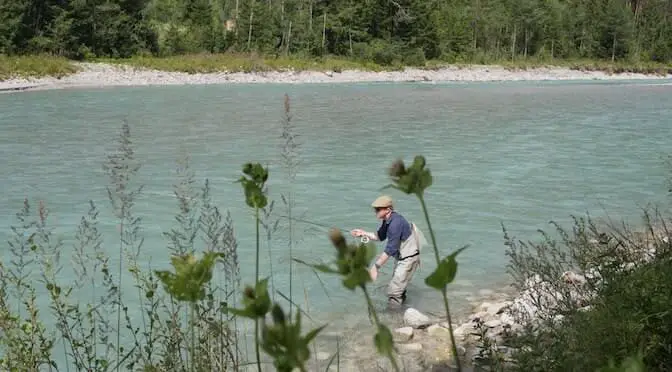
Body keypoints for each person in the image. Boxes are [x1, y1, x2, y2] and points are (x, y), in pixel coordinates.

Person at [351, 195, 423, 310]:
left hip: (409, 258)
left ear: (388, 209)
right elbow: (379, 236)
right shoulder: (388, 220)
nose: (375, 211)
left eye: (378, 209)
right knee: (398, 287)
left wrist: (375, 267)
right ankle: (403, 312)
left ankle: (393, 318)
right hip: (402, 257)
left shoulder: (395, 224)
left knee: (394, 292)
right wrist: (363, 233)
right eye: (375, 209)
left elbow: (390, 250)